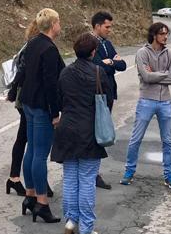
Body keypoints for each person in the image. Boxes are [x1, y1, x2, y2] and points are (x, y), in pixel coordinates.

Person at [51, 33, 113, 234]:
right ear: (93, 52)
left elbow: (59, 99)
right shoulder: (98, 72)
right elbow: (107, 99)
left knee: (69, 178)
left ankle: (70, 221)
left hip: (67, 128)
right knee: (87, 179)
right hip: (89, 131)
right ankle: (86, 227)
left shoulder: (65, 72)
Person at [8, 8, 65, 223]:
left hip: (29, 103)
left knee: (31, 150)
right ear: (53, 25)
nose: (60, 25)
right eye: (59, 22)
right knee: (40, 155)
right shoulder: (49, 49)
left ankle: (30, 196)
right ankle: (42, 202)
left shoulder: (32, 43)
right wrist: (55, 112)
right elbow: (51, 83)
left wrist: (14, 91)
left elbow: (22, 70)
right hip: (41, 106)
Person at [120, 22, 171, 190]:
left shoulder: (170, 54)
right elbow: (146, 77)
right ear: (154, 35)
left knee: (168, 140)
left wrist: (156, 74)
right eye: (162, 34)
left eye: (167, 33)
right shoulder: (142, 53)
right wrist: (164, 74)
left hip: (165, 101)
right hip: (146, 100)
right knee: (136, 138)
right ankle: (129, 171)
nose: (165, 37)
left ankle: (169, 175)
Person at [5, 20, 53, 198]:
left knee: (24, 138)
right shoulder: (35, 48)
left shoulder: (29, 46)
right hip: (29, 98)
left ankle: (15, 177)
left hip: (24, 97)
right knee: (31, 142)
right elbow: (23, 72)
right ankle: (22, 179)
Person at [90, 10, 126, 189]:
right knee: (96, 132)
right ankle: (93, 173)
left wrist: (110, 62)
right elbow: (95, 67)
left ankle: (95, 171)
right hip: (96, 94)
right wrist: (111, 63)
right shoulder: (90, 43)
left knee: (102, 132)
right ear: (97, 26)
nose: (109, 30)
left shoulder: (108, 44)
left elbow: (123, 65)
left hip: (109, 93)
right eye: (107, 27)